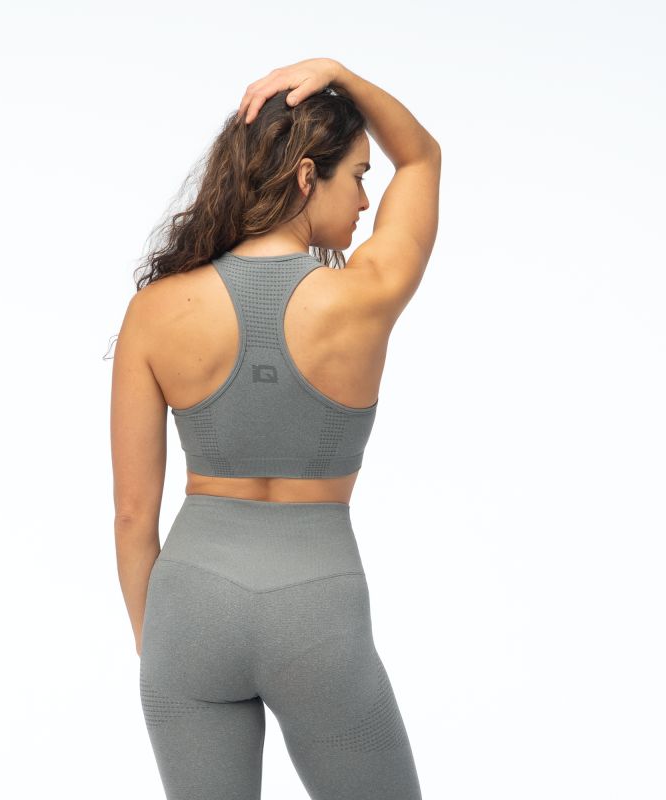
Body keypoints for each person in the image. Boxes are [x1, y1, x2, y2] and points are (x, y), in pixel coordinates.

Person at [110, 57, 441, 800]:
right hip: (315, 610)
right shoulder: (364, 296)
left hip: (188, 609)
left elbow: (132, 515)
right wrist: (341, 75)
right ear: (305, 176)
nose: (366, 200)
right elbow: (422, 156)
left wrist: (158, 645)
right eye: (358, 176)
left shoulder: (155, 311)